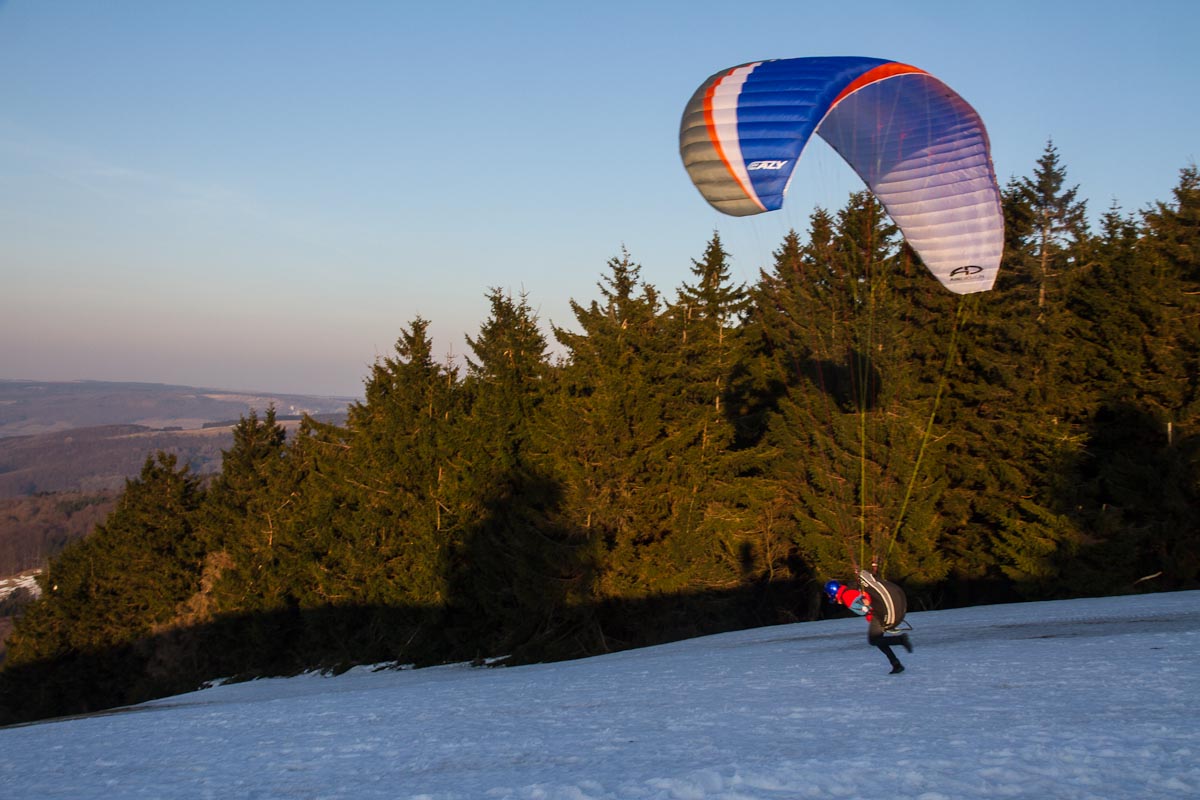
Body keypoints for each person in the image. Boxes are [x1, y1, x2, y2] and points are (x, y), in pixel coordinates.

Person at [825, 575, 913, 674]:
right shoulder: (848, 590)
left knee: (874, 640)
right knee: (879, 641)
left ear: (832, 591)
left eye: (828, 594)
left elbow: (864, 608)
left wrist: (864, 605)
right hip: (877, 613)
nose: (828, 596)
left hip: (877, 615)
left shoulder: (846, 596)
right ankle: (896, 664)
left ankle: (900, 640)